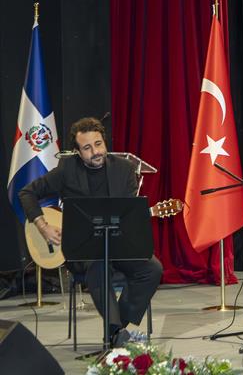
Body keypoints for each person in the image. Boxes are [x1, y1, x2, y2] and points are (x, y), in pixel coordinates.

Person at [20, 117, 163, 347]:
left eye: (98, 144)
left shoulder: (124, 169)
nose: (95, 151)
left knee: (152, 269)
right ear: (77, 151)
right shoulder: (66, 170)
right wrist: (43, 226)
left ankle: (115, 331)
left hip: (118, 244)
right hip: (82, 249)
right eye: (87, 148)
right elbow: (27, 193)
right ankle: (116, 334)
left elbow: (128, 213)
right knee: (99, 265)